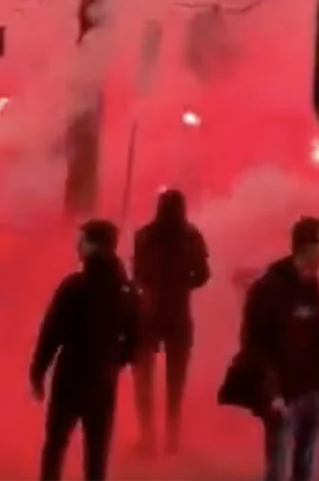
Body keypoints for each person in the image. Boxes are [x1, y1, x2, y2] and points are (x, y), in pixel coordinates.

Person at [218, 216, 319, 481]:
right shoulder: (270, 289)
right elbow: (255, 345)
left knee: (307, 465)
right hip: (283, 395)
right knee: (279, 468)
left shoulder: (313, 286)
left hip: (313, 391)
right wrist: (271, 393)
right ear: (306, 246)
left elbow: (315, 332)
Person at [30, 220, 140, 481]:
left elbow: (52, 332)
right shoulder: (127, 290)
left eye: (83, 240)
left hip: (71, 377)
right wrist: (114, 360)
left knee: (56, 445)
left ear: (95, 246)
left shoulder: (74, 286)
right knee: (97, 452)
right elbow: (136, 340)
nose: (78, 245)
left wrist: (38, 370)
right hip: (103, 380)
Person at [131, 188, 210, 455]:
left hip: (149, 313)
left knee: (144, 378)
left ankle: (148, 437)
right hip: (178, 312)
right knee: (175, 382)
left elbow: (137, 274)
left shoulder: (144, 237)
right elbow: (203, 274)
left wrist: (155, 284)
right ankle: (171, 439)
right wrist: (183, 281)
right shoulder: (192, 237)